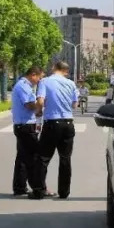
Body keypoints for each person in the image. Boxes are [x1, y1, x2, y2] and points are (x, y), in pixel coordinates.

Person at [33, 60, 79, 199]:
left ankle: (39, 190)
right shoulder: (71, 84)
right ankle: (64, 192)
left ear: (54, 68)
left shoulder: (45, 82)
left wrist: (39, 112)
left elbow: (40, 101)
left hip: (52, 123)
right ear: (65, 71)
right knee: (65, 158)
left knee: (43, 157)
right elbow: (75, 104)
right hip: (68, 123)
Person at [11, 66, 44, 197]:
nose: (40, 81)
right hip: (26, 126)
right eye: (39, 78)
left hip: (23, 125)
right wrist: (41, 105)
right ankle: (38, 187)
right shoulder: (24, 86)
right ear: (33, 75)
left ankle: (19, 187)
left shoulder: (24, 85)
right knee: (35, 156)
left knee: (22, 158)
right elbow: (29, 105)